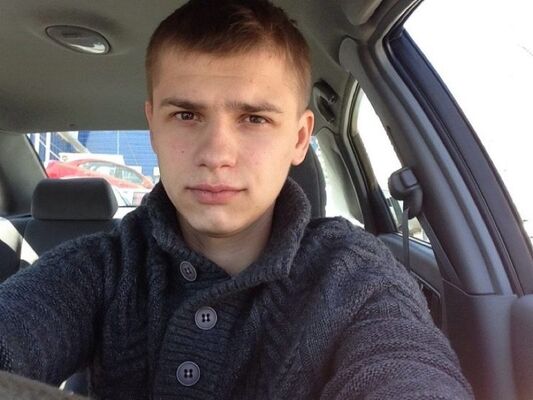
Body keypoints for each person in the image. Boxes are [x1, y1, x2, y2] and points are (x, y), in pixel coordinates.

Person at [0, 0, 473, 398]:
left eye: (254, 119)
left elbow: (408, 369)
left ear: (299, 138)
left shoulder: (355, 276)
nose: (216, 154)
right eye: (186, 115)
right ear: (153, 127)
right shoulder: (99, 268)